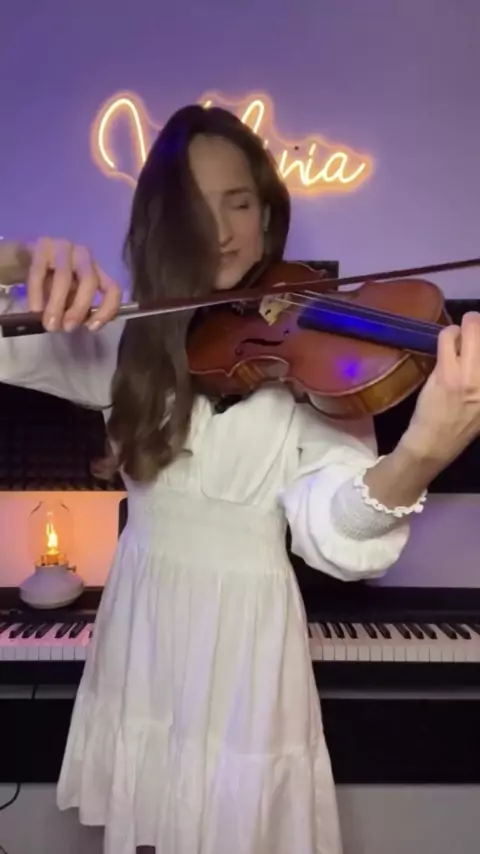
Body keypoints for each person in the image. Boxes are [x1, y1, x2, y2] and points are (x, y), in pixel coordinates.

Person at [1, 105, 480, 854]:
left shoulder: (317, 360)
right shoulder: (128, 338)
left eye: (240, 203)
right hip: (144, 628)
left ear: (267, 215)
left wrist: (420, 453)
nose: (222, 232)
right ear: (162, 223)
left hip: (245, 648)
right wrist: (19, 264)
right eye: (197, 207)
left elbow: (336, 533)